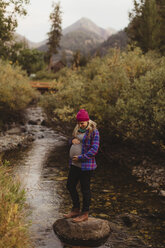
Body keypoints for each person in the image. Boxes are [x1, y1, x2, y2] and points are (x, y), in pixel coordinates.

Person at [64, 109, 100, 222]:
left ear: (88, 121)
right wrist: (72, 141)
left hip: (86, 166)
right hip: (75, 164)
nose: (80, 124)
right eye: (79, 123)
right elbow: (72, 141)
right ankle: (76, 209)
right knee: (70, 185)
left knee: (85, 189)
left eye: (82, 123)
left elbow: (94, 150)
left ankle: (85, 213)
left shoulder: (94, 132)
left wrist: (80, 157)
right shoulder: (77, 129)